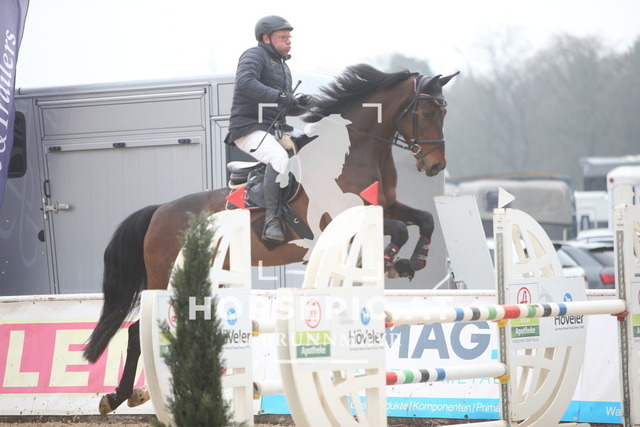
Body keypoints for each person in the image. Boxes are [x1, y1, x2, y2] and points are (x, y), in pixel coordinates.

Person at [225, 15, 309, 244]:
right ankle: (272, 220)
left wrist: (301, 105)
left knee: (313, 147)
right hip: (248, 128)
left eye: (289, 37)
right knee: (278, 157)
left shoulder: (283, 67)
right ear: (266, 38)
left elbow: (281, 105)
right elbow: (245, 83)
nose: (288, 41)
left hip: (274, 129)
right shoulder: (254, 55)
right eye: (283, 37)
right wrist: (281, 96)